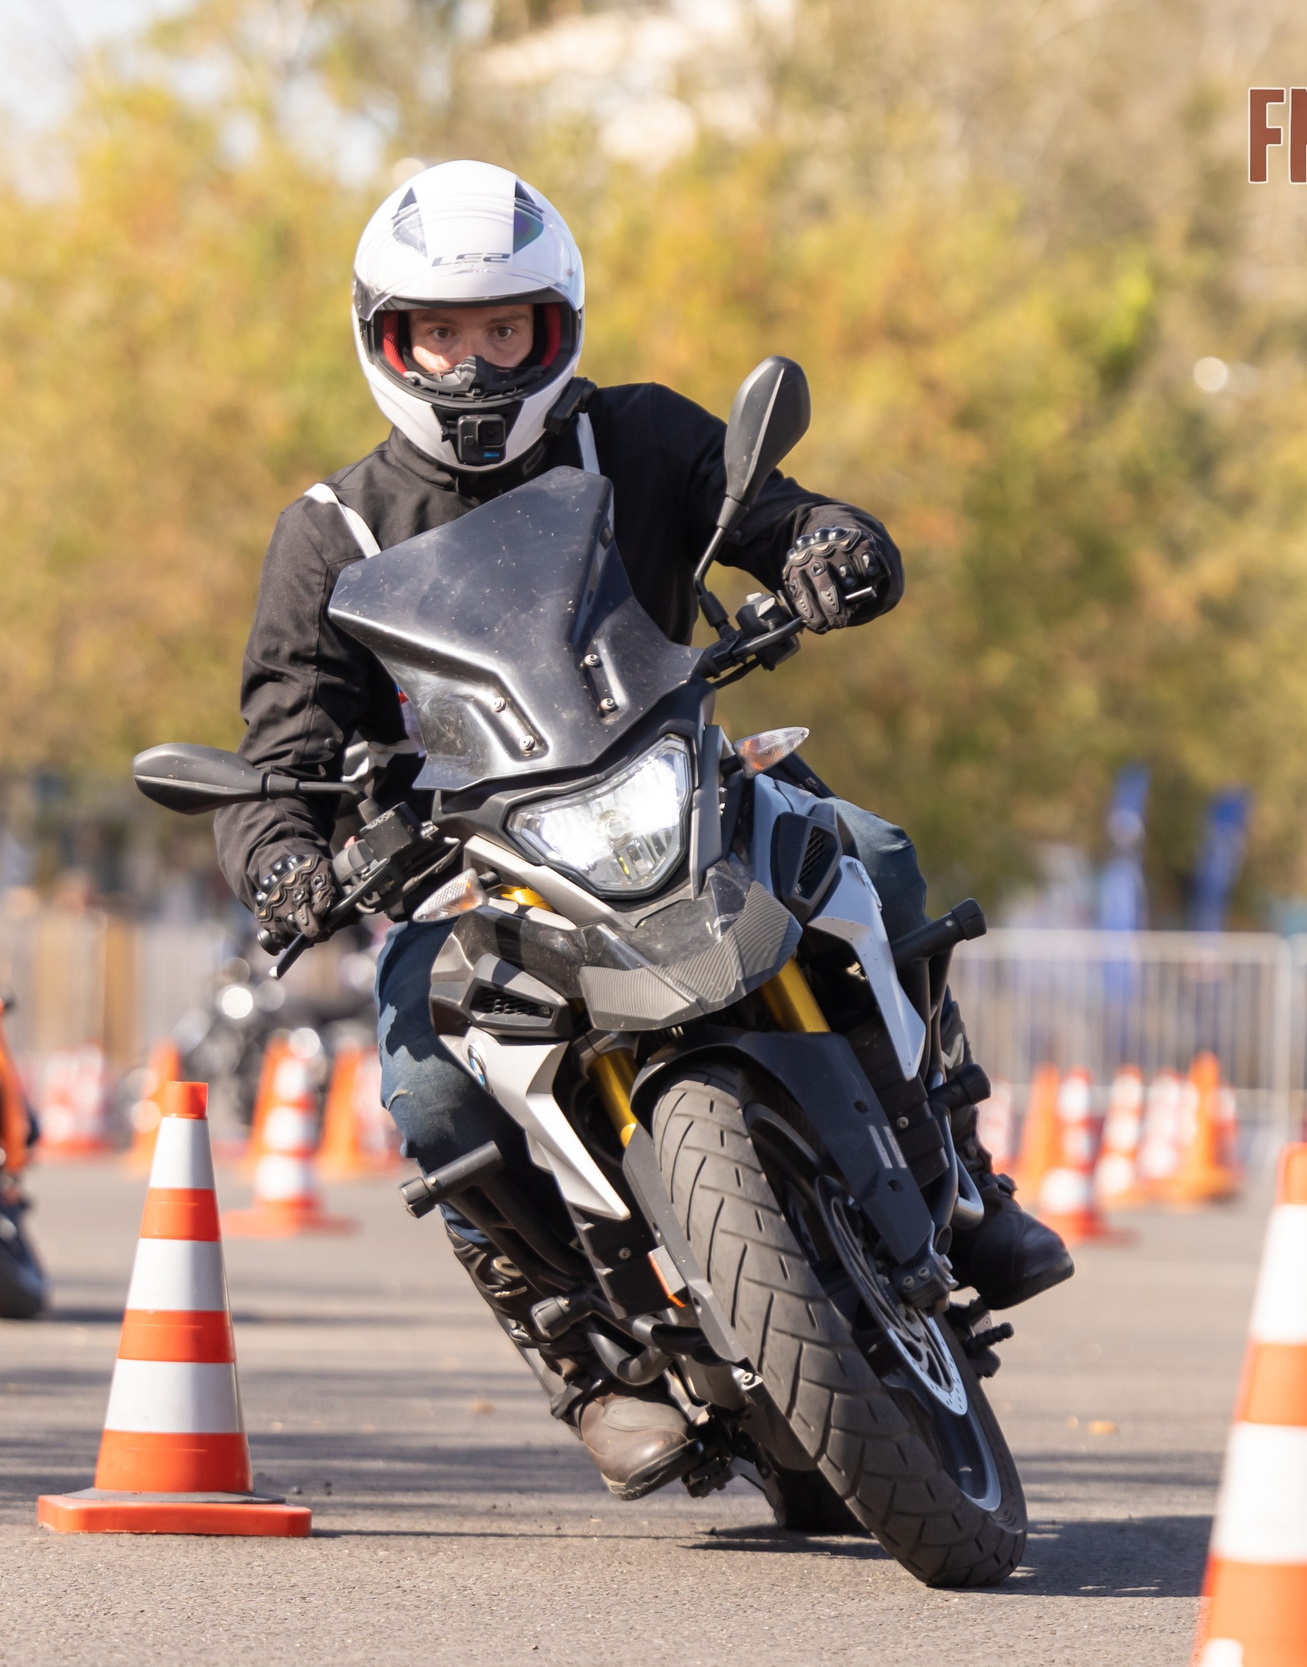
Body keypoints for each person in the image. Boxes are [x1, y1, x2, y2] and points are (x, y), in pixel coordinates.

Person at [213, 161, 1072, 1501]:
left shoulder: (640, 434)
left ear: (554, 325)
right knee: (428, 1083)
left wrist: (829, 546)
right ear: (387, 337)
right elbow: (282, 751)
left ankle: (959, 1172)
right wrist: (282, 857)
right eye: (441, 332)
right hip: (479, 875)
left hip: (679, 785)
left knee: (873, 853)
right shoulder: (331, 532)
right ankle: (586, 1359)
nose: (473, 362)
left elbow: (779, 512)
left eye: (505, 328)